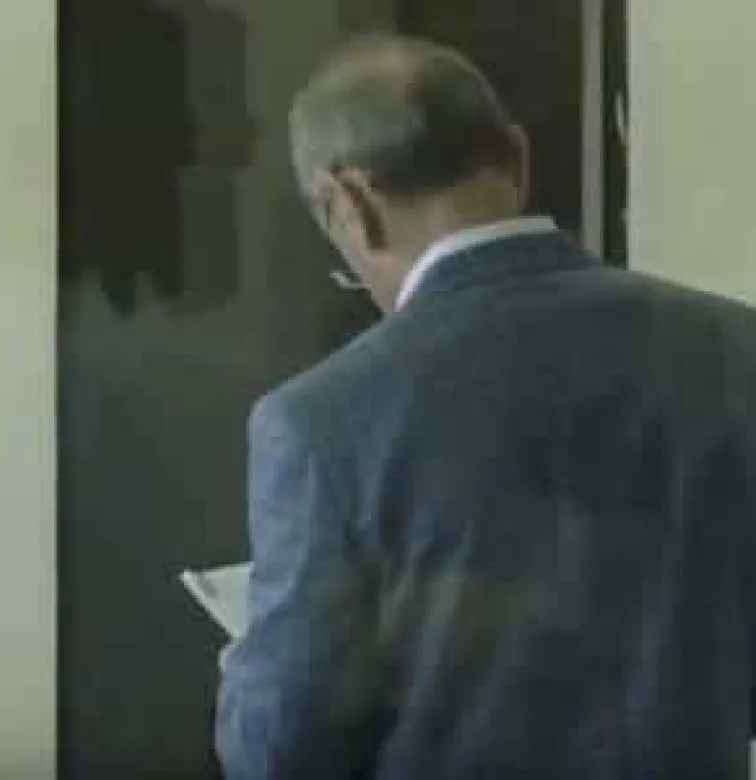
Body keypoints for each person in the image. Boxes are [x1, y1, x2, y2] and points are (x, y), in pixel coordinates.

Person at [215, 34, 756, 779]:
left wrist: (246, 668)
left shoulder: (316, 423)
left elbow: (282, 750)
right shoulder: (734, 350)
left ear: (352, 203)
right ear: (519, 158)